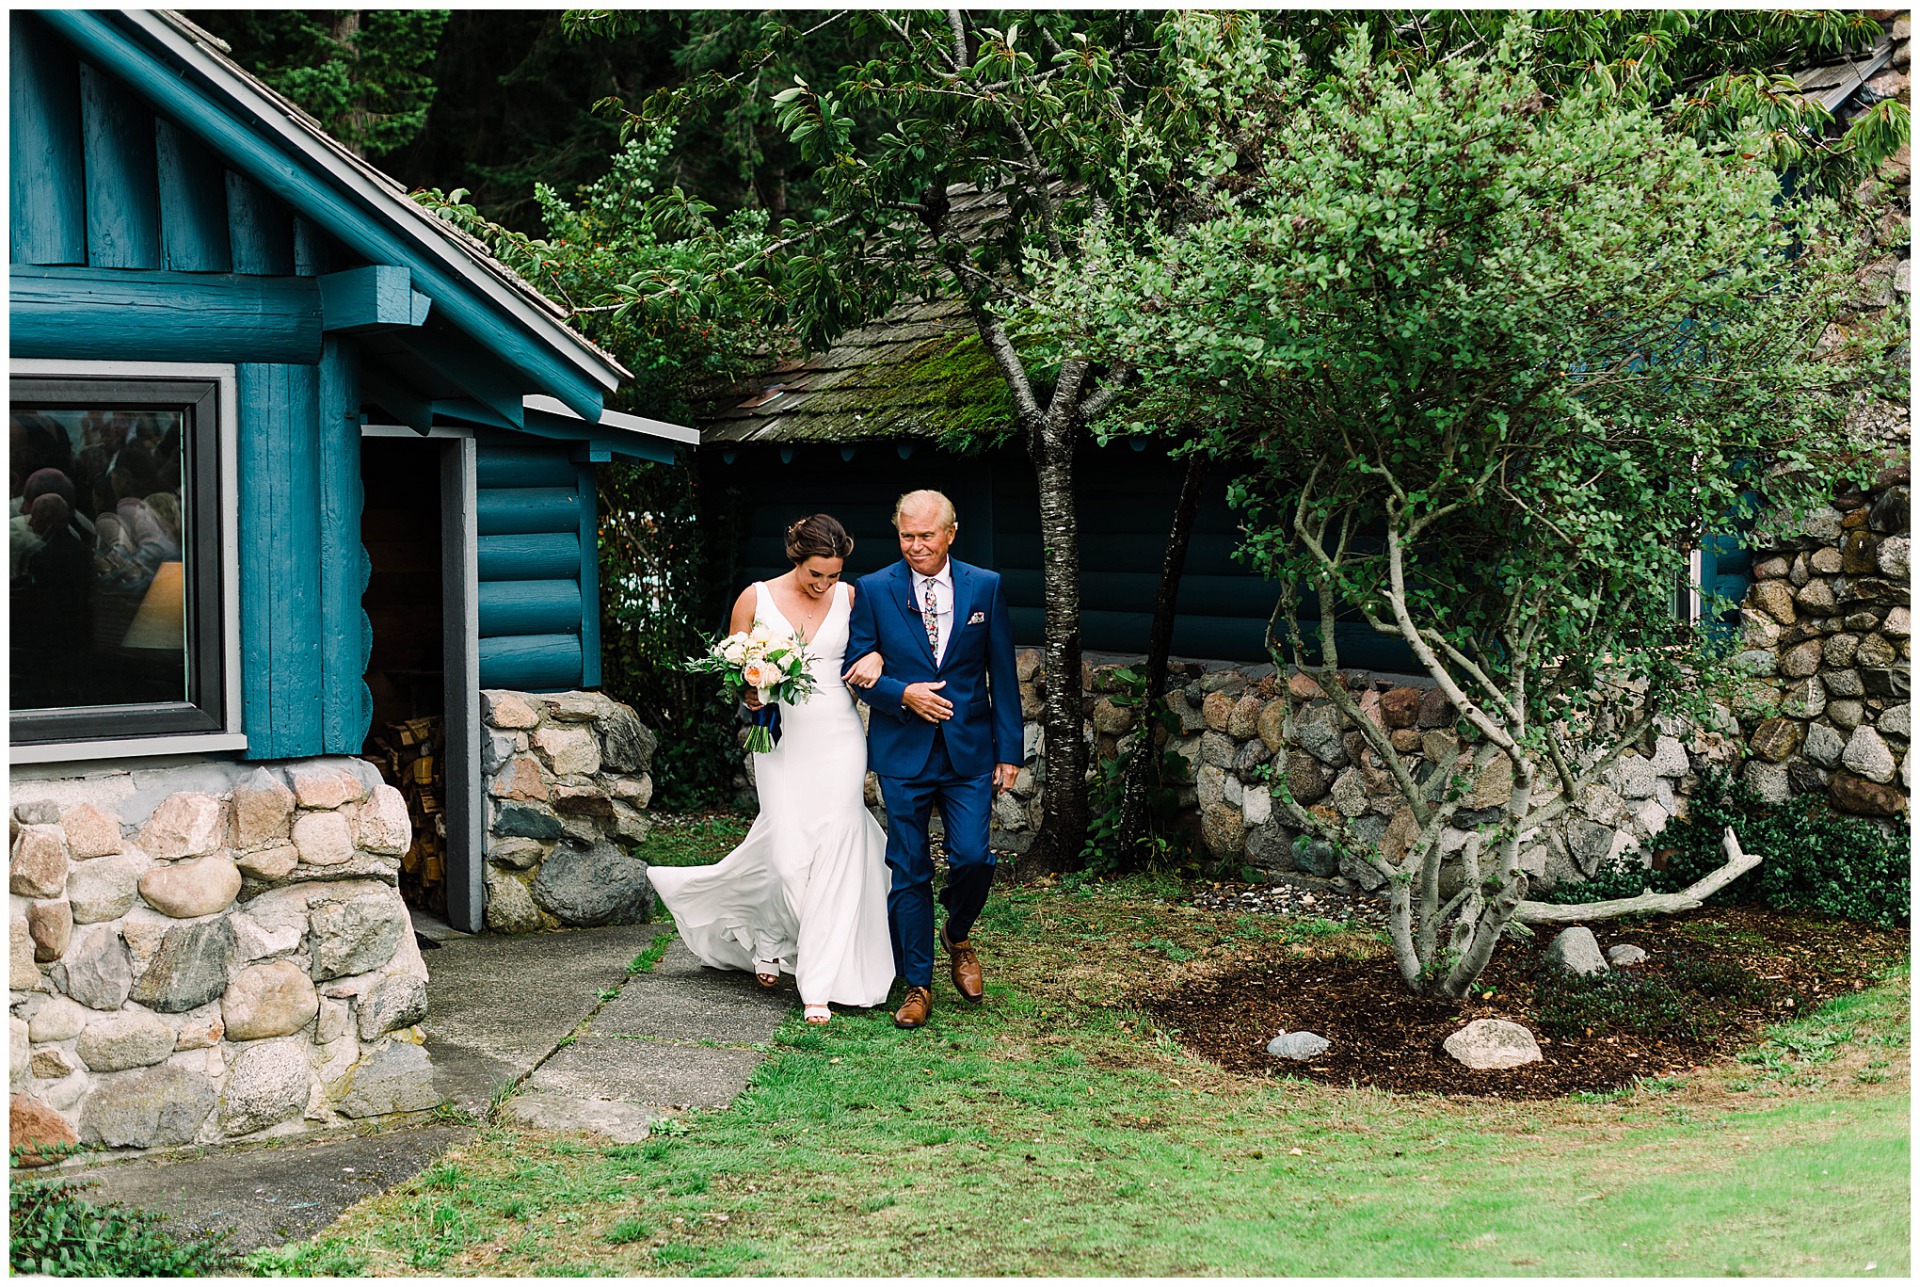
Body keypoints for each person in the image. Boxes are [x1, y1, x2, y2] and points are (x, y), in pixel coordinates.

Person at [650, 514, 894, 1024]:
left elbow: (877, 650)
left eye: (833, 575)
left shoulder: (851, 598)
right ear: (796, 559)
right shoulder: (754, 599)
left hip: (839, 736)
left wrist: (875, 662)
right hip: (781, 740)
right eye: (816, 575)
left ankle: (819, 984)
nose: (825, 584)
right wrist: (752, 686)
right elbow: (734, 673)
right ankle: (769, 936)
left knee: (835, 847)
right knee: (786, 855)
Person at [842, 489, 1022, 1029]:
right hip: (903, 753)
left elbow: (1003, 674)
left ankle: (957, 934)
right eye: (906, 536)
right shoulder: (874, 589)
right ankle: (917, 984)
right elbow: (856, 668)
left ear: (950, 532)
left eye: (925, 536)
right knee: (909, 869)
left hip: (969, 751)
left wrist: (1008, 749)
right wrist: (902, 693)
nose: (915, 546)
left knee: (972, 858)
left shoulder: (984, 587)